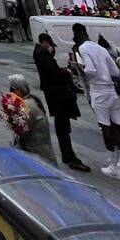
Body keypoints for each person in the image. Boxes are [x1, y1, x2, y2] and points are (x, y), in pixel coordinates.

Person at [72, 22, 120, 180]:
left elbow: (91, 71)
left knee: (105, 127)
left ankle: (114, 165)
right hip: (110, 90)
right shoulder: (100, 48)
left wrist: (81, 68)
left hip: (98, 91)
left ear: (77, 35)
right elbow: (115, 71)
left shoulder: (83, 49)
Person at [32, 32, 90, 172]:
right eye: (51, 45)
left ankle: (68, 154)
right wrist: (67, 73)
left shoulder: (41, 54)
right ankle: (69, 155)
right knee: (62, 125)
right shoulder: (42, 55)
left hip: (54, 94)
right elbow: (54, 74)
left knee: (62, 124)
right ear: (45, 43)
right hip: (57, 95)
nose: (53, 48)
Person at [6, 74, 56, 163]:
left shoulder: (26, 106)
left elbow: (22, 131)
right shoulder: (32, 99)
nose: (10, 92)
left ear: (19, 90)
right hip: (39, 153)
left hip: (38, 157)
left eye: (12, 89)